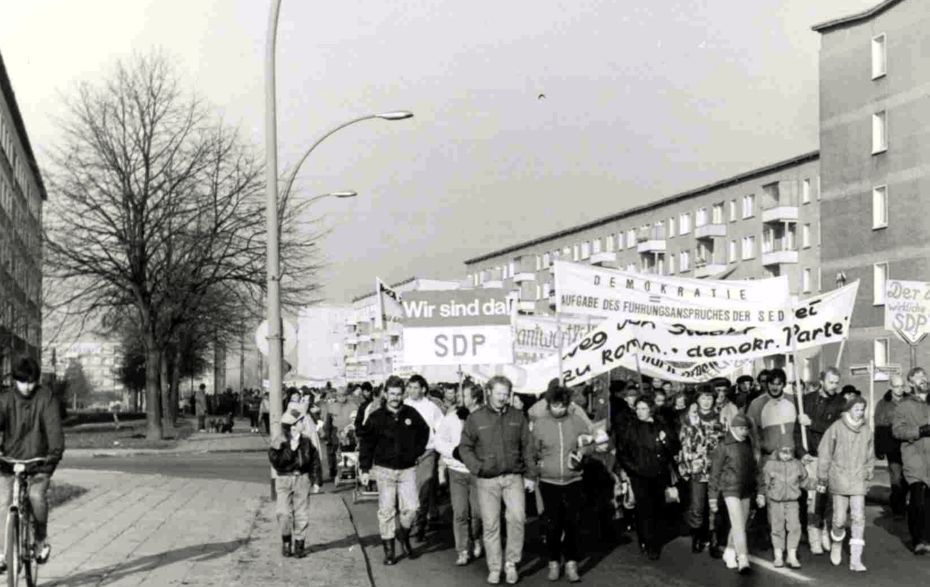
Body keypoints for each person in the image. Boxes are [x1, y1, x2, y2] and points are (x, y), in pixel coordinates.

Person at [458, 375, 536, 585]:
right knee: (491, 524)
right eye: (499, 393)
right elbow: (464, 447)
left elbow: (528, 447)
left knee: (518, 518)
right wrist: (477, 467)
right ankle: (494, 567)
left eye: (506, 394)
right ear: (489, 392)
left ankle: (511, 564)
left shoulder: (518, 416)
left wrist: (530, 475)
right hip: (487, 480)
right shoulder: (476, 418)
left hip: (513, 477)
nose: (502, 398)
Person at [531, 385, 602, 583]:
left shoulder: (576, 421)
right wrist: (538, 467)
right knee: (553, 523)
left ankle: (571, 563)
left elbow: (593, 442)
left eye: (563, 406)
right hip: (549, 480)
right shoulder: (540, 424)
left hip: (573, 479)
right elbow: (532, 451)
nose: (559, 409)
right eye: (555, 405)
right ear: (549, 404)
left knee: (573, 523)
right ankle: (553, 561)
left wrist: (583, 452)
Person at [0, 357, 64, 569]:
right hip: (10, 461)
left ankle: (39, 540)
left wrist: (50, 459)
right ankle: (3, 552)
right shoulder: (5, 400)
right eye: (23, 381)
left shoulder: (46, 399)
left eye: (32, 382)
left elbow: (55, 434)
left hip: (39, 462)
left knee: (36, 496)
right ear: (15, 380)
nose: (28, 386)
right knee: (4, 500)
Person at [358, 376, 429, 566]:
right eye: (392, 394)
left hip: (407, 470)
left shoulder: (411, 414)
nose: (395, 398)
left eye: (399, 394)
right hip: (384, 470)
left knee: (412, 509)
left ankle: (403, 535)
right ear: (385, 394)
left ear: (403, 394)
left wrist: (415, 452)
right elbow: (366, 444)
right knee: (387, 510)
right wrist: (365, 468)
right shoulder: (376, 418)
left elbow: (424, 432)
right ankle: (389, 552)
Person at [616, 396, 678, 561]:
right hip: (639, 474)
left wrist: (666, 441)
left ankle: (653, 539)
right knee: (644, 508)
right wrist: (633, 468)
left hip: (659, 473)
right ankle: (648, 542)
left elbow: (674, 447)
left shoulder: (661, 425)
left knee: (658, 507)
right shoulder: (630, 428)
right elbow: (623, 451)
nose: (640, 412)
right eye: (637, 408)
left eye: (643, 408)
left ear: (651, 409)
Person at [817, 395, 874, 571]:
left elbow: (870, 453)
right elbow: (825, 452)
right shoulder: (836, 428)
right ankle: (837, 542)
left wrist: (868, 471)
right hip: (839, 477)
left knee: (858, 518)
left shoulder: (866, 430)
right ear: (848, 410)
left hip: (858, 478)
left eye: (862, 409)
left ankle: (855, 559)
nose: (860, 413)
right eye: (856, 409)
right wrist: (823, 477)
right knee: (840, 519)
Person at [796, 366, 844, 555]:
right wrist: (801, 452)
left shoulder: (840, 403)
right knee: (814, 498)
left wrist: (812, 423)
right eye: (831, 382)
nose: (834, 386)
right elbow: (796, 431)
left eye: (836, 382)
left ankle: (825, 529)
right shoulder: (805, 401)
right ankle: (814, 536)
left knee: (830, 498)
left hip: (831, 457)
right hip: (812, 457)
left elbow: (836, 429)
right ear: (821, 381)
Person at [435, 381, 484, 566]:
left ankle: (476, 537)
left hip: (477, 472)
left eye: (464, 395)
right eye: (459, 395)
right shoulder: (451, 417)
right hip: (456, 471)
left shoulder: (484, 417)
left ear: (475, 397)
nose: (459, 398)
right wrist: (453, 452)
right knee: (460, 512)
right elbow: (439, 441)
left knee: (478, 513)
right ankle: (462, 550)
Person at [268, 390, 321, 558]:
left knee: (301, 514)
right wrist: (290, 450)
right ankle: (286, 541)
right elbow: (276, 461)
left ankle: (299, 544)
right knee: (283, 513)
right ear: (293, 425)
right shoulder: (279, 441)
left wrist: (316, 480)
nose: (303, 423)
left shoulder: (306, 441)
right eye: (300, 421)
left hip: (302, 479)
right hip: (284, 480)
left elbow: (314, 460)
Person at [708, 413, 755, 575]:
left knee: (741, 523)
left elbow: (753, 467)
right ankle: (743, 558)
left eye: (747, 429)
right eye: (741, 428)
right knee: (738, 523)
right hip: (729, 489)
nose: (745, 432)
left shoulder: (748, 442)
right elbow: (715, 473)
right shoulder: (724, 446)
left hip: (746, 489)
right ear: (733, 428)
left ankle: (729, 550)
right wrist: (713, 497)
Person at [678, 387, 723, 554]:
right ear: (697, 400)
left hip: (716, 468)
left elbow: (724, 441)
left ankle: (713, 540)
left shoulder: (720, 417)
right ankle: (697, 537)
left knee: (715, 505)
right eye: (703, 398)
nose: (706, 401)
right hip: (697, 468)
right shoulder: (689, 418)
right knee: (697, 505)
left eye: (710, 398)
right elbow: (683, 441)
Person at [892, 367, 930, 554]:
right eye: (917, 378)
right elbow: (897, 431)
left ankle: (927, 536)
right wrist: (919, 431)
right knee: (918, 499)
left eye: (924, 376)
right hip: (914, 458)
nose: (922, 380)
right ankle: (919, 540)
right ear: (910, 383)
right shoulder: (903, 406)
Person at [403, 374, 445, 541]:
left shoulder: (431, 407)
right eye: (410, 387)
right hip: (407, 455)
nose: (412, 391)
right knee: (409, 491)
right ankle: (410, 522)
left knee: (424, 489)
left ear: (423, 389)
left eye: (415, 388)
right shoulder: (404, 405)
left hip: (427, 452)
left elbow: (441, 428)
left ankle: (421, 524)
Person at [758, 443, 807, 569]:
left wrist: (816, 485)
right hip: (776, 501)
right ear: (778, 452)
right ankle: (778, 555)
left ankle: (792, 555)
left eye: (789, 452)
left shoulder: (797, 464)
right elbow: (764, 482)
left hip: (792, 501)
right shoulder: (770, 464)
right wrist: (761, 495)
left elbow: (804, 480)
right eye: (783, 452)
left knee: (795, 527)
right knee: (777, 527)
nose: (786, 455)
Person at [875, 373, 909, 519]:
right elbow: (879, 427)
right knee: (896, 477)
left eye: (902, 386)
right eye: (896, 386)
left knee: (908, 476)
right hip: (892, 446)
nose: (900, 389)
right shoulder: (883, 404)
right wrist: (879, 448)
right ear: (890, 386)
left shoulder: (910, 400)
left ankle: (907, 503)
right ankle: (898, 510)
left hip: (909, 445)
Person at [321, 387, 358, 482]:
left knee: (349, 453)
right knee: (335, 453)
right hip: (335, 433)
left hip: (349, 434)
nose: (341, 398)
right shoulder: (331, 407)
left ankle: (350, 472)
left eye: (343, 395)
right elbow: (327, 423)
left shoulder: (353, 406)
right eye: (339, 396)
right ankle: (334, 473)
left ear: (346, 396)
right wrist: (327, 435)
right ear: (336, 397)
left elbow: (357, 421)